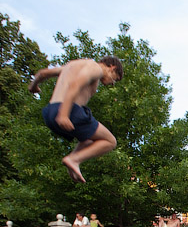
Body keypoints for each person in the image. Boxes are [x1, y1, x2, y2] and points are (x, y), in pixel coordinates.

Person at [29, 56, 124, 184]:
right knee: (110, 141)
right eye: (115, 79)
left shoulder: (71, 66)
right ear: (113, 68)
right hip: (68, 111)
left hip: (49, 113)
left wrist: (34, 86)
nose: (112, 83)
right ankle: (74, 159)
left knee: (89, 140)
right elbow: (75, 85)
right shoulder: (95, 68)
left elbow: (43, 73)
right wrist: (63, 114)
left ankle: (73, 161)